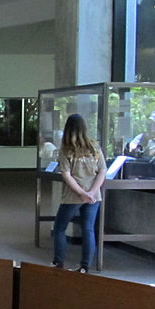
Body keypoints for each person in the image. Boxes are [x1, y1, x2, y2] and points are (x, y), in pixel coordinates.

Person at [52, 113, 106, 273]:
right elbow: (102, 170)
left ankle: (58, 263)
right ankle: (85, 266)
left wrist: (81, 193)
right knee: (88, 229)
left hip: (72, 196)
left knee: (60, 228)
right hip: (93, 197)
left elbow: (66, 175)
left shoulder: (66, 149)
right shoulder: (94, 147)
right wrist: (91, 193)